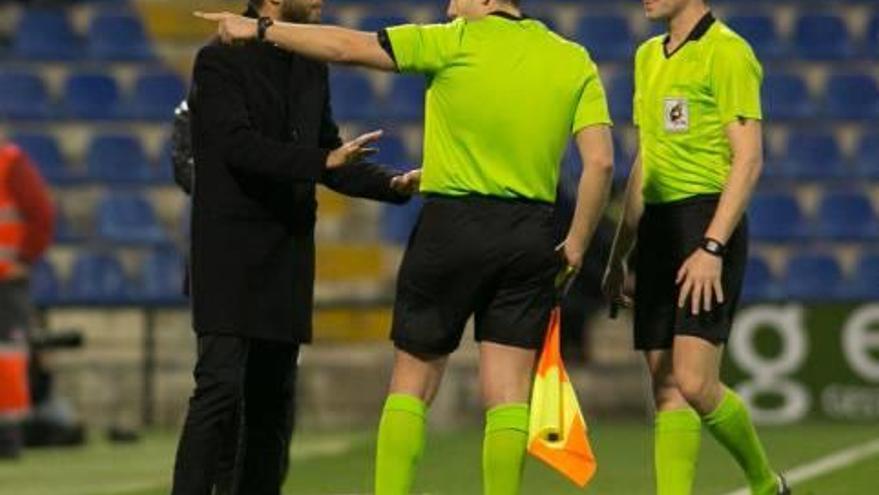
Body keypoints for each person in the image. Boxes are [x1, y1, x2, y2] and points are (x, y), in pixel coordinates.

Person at [196, 1, 615, 493]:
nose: (449, 3)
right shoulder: (571, 57)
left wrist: (260, 29)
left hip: (450, 227)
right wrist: (577, 245)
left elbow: (346, 46)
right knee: (507, 397)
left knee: (412, 387)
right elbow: (602, 164)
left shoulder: (451, 39)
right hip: (529, 233)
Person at [174, 0, 420, 493]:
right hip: (230, 252)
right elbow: (236, 147)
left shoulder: (309, 63)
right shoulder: (219, 59)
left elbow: (329, 149)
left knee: (273, 399)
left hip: (286, 252)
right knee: (220, 387)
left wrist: (390, 184)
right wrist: (323, 160)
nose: (320, 0)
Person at [601, 1, 789, 494]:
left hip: (706, 223)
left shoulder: (727, 53)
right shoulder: (647, 56)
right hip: (659, 229)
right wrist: (621, 251)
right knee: (665, 386)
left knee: (695, 382)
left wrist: (711, 246)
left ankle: (766, 484)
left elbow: (748, 159)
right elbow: (646, 161)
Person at [0, 139, 55, 459]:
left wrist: (24, 259)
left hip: (6, 281)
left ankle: (7, 436)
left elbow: (40, 214)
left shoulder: (10, 162)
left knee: (7, 356)